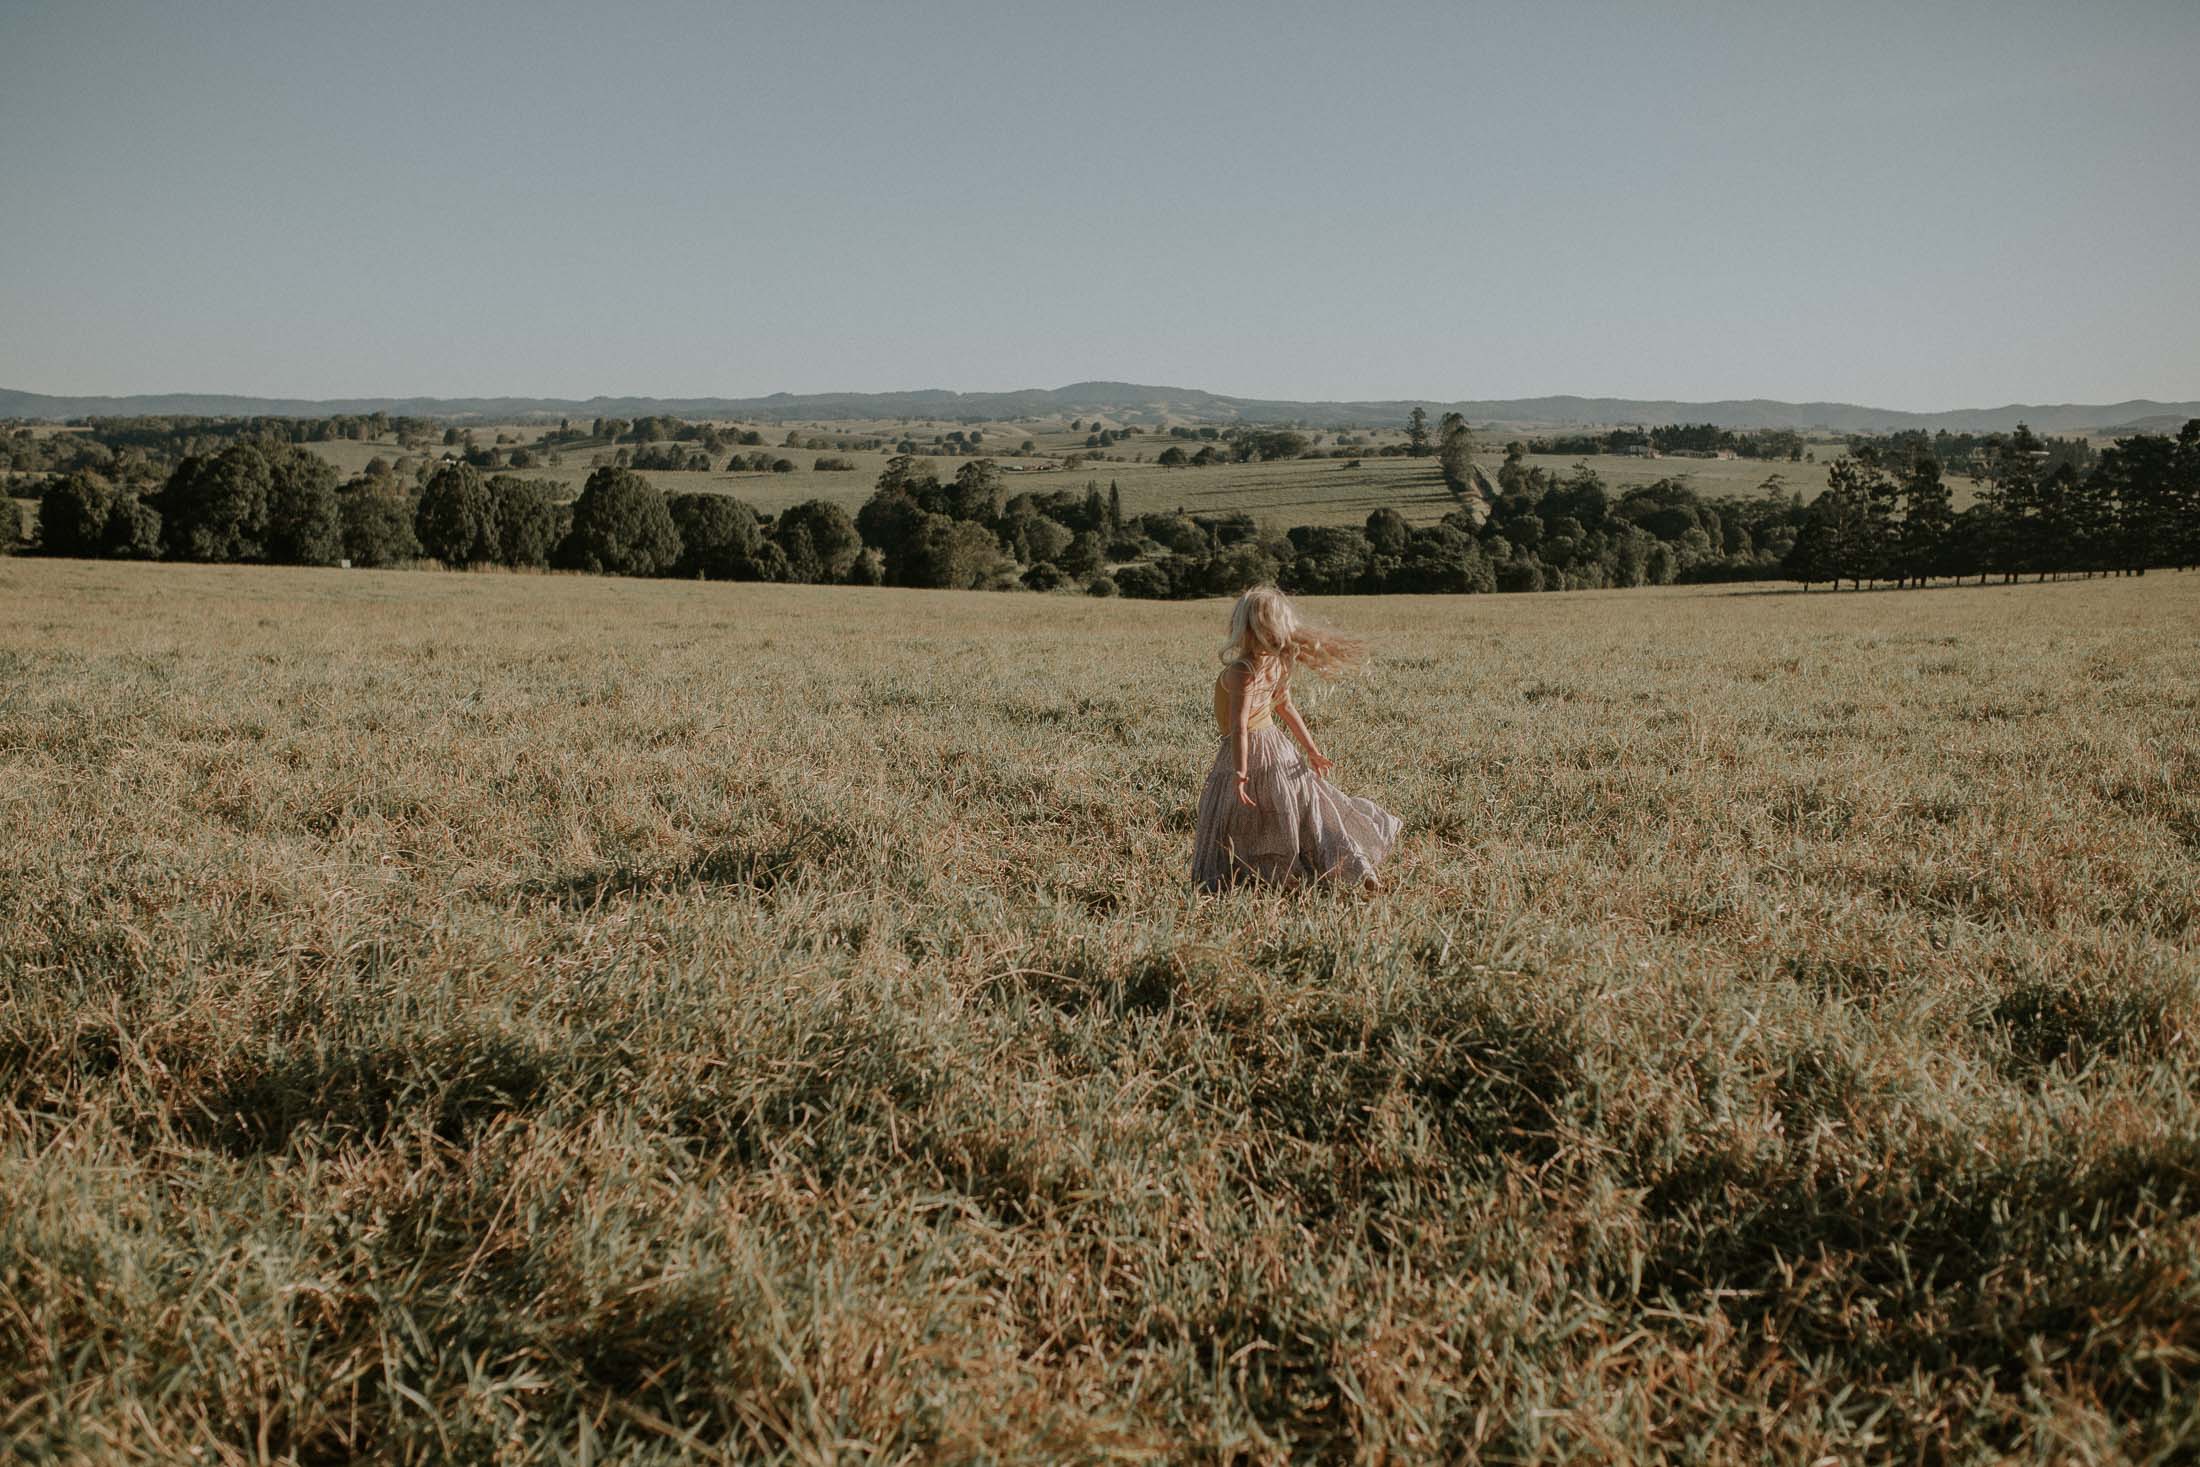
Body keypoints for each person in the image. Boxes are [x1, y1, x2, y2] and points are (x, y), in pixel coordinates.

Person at [1192, 585, 1400, 893]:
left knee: (1235, 816)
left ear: (1242, 625)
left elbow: (1239, 727)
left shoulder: (1242, 670)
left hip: (1249, 750)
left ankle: (1248, 878)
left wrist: (1239, 771)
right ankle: (1327, 866)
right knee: (1294, 809)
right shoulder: (1275, 663)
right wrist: (1311, 750)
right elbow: (1286, 709)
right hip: (1278, 747)